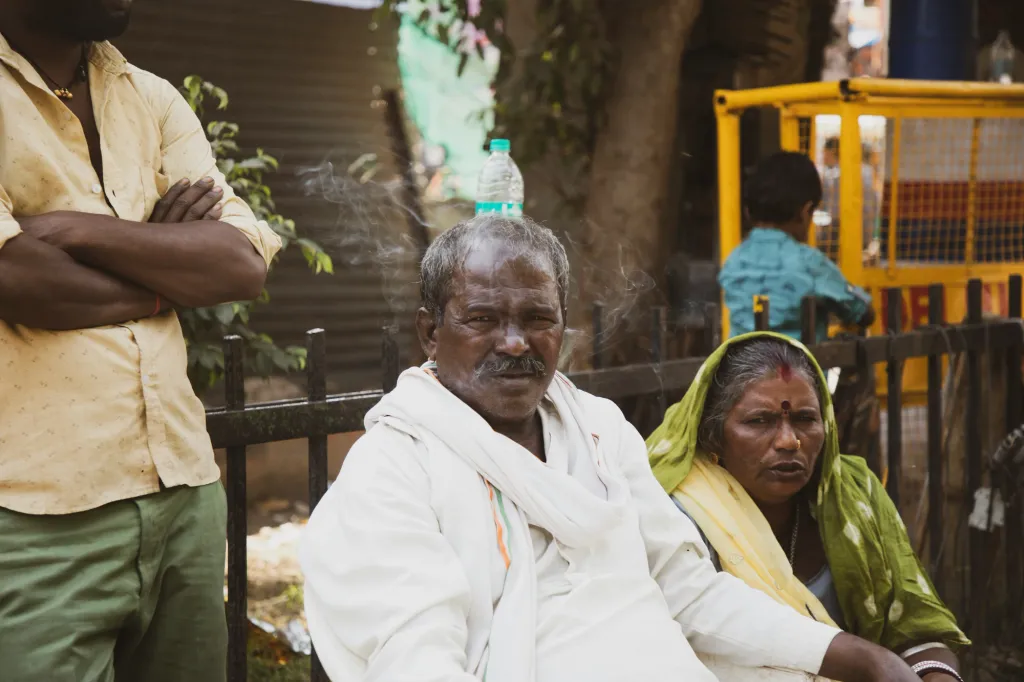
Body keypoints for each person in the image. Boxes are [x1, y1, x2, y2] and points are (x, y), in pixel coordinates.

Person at [301, 213, 929, 682]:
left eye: (538, 318)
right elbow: (419, 655)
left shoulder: (598, 429)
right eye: (484, 318)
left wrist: (856, 655)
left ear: (563, 324)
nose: (516, 343)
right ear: (429, 333)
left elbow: (690, 591)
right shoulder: (395, 465)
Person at [0, 0, 281, 680]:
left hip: (183, 490)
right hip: (34, 509)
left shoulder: (150, 97)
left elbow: (239, 262)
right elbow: (19, 278)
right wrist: (165, 263)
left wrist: (75, 231)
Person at [647, 333, 970, 682]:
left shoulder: (853, 496)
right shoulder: (678, 513)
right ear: (713, 434)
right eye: (759, 421)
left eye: (804, 419)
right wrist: (872, 663)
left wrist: (936, 676)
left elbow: (917, 628)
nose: (789, 441)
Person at [719, 151, 875, 343]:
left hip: (740, 369)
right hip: (796, 371)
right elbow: (862, 313)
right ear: (805, 212)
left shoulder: (734, 260)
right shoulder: (809, 263)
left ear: (747, 213)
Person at [819, 136, 881, 261]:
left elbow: (835, 213)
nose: (823, 158)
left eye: (824, 153)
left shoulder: (839, 175)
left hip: (847, 234)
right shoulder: (868, 171)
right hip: (867, 232)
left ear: (832, 152)